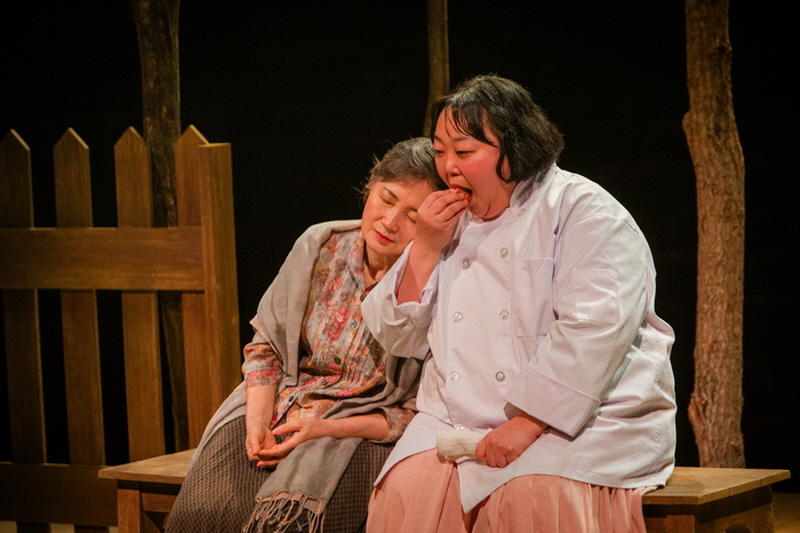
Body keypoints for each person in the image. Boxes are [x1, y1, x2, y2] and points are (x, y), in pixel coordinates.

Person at [362, 75, 677, 532]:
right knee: (406, 489)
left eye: (464, 152)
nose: (448, 167)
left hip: (579, 417)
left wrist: (527, 422)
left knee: (528, 496)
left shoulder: (584, 211)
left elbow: (595, 329)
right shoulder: (448, 220)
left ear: (515, 147)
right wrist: (426, 247)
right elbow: (398, 337)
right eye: (440, 151)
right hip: (454, 417)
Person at [164, 137, 444, 533]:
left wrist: (327, 428)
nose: (390, 222)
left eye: (413, 217)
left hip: (358, 431)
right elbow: (266, 349)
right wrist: (257, 424)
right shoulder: (320, 246)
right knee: (205, 510)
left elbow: (419, 411)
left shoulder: (435, 285)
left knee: (289, 522)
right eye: (386, 199)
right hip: (279, 404)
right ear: (370, 188)